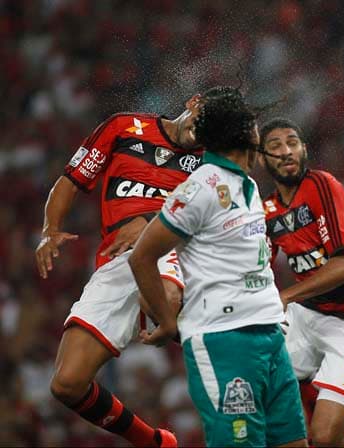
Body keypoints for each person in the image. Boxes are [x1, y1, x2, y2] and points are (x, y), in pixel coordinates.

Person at [128, 87, 307, 447]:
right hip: (223, 338)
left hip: (269, 332)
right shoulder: (200, 188)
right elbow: (142, 256)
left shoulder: (249, 186)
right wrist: (166, 321)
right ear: (247, 134)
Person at [35, 87, 213, 447]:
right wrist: (50, 230)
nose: (206, 129)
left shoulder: (212, 162)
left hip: (173, 250)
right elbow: (71, 181)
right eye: (205, 116)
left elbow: (213, 219)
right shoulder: (122, 128)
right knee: (67, 383)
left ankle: (235, 354)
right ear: (192, 102)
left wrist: (151, 221)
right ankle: (154, 442)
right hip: (117, 261)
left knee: (161, 296)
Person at [259, 118, 344, 447]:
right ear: (262, 159)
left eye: (293, 142)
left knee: (324, 436)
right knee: (258, 393)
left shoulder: (322, 185)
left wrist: (286, 296)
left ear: (304, 150)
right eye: (275, 146)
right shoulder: (267, 209)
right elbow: (255, 268)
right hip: (309, 315)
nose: (286, 150)